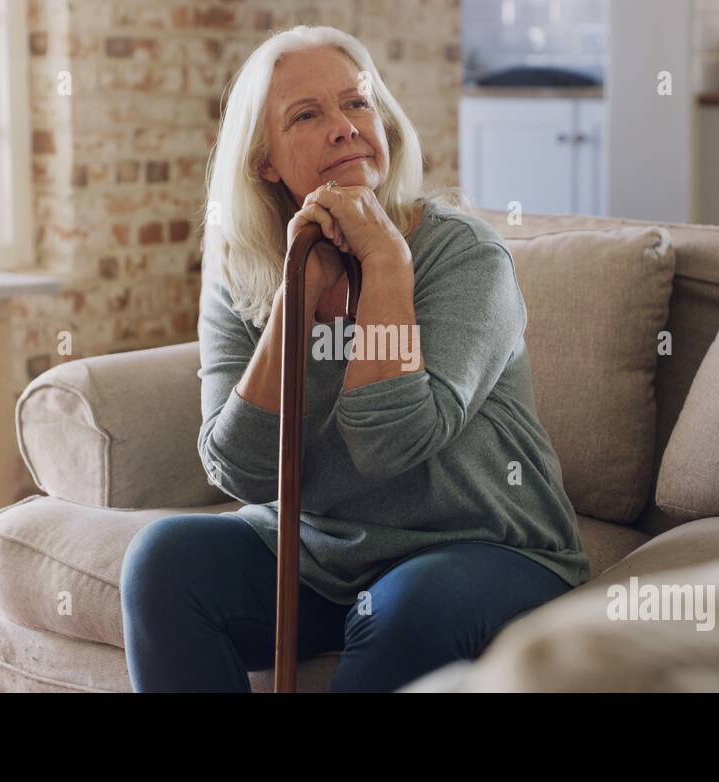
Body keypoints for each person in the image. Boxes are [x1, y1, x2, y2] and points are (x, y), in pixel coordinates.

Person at [120, 24, 589, 693]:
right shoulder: (242, 272)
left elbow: (391, 443)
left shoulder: (464, 257)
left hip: (486, 549)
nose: (343, 127)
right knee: (163, 561)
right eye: (308, 115)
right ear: (265, 161)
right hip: (321, 554)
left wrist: (387, 264)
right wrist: (294, 298)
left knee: (408, 609)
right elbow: (241, 470)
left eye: (357, 103)